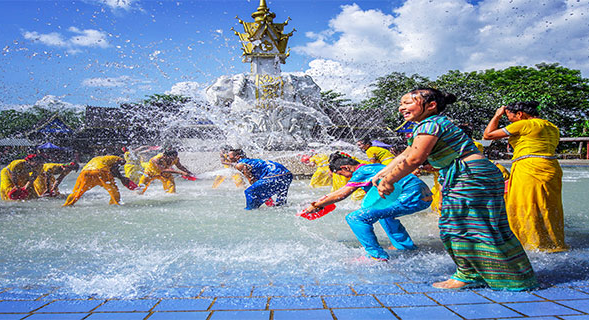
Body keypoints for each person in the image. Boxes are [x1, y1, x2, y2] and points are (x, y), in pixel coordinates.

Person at [374, 88, 537, 291]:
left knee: (456, 226)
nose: (402, 107)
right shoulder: (430, 125)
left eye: (408, 103)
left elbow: (415, 159)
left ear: (431, 105)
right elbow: (408, 153)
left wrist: (389, 180)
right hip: (476, 174)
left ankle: (469, 274)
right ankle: (509, 275)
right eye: (401, 103)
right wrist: (381, 174)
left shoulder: (431, 124)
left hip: (469, 176)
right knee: (484, 227)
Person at [303, 152, 432, 261]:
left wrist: (316, 205)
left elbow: (341, 195)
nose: (344, 177)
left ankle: (376, 256)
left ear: (346, 167)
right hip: (423, 196)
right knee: (384, 215)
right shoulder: (373, 167)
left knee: (355, 218)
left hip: (411, 197)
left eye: (341, 174)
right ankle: (404, 246)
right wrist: (321, 201)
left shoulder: (361, 173)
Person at [482, 101, 568, 253]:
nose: (509, 121)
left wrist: (496, 115)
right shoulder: (551, 126)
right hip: (551, 168)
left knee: (526, 205)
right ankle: (554, 242)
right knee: (547, 206)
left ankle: (530, 244)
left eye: (509, 117)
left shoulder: (524, 124)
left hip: (529, 168)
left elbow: (488, 135)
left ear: (520, 114)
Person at [222, 148, 293, 210]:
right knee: (280, 206)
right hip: (287, 174)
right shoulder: (252, 161)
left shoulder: (240, 164)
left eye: (229, 156)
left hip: (275, 174)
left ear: (237, 156)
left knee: (249, 192)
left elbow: (252, 181)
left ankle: (250, 214)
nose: (228, 158)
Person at [62, 154, 134, 206]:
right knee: (113, 190)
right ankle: (116, 205)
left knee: (76, 192)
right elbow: (116, 167)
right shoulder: (116, 158)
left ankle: (67, 204)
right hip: (101, 171)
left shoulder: (97, 158)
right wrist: (121, 178)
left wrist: (120, 177)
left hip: (85, 172)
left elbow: (112, 170)